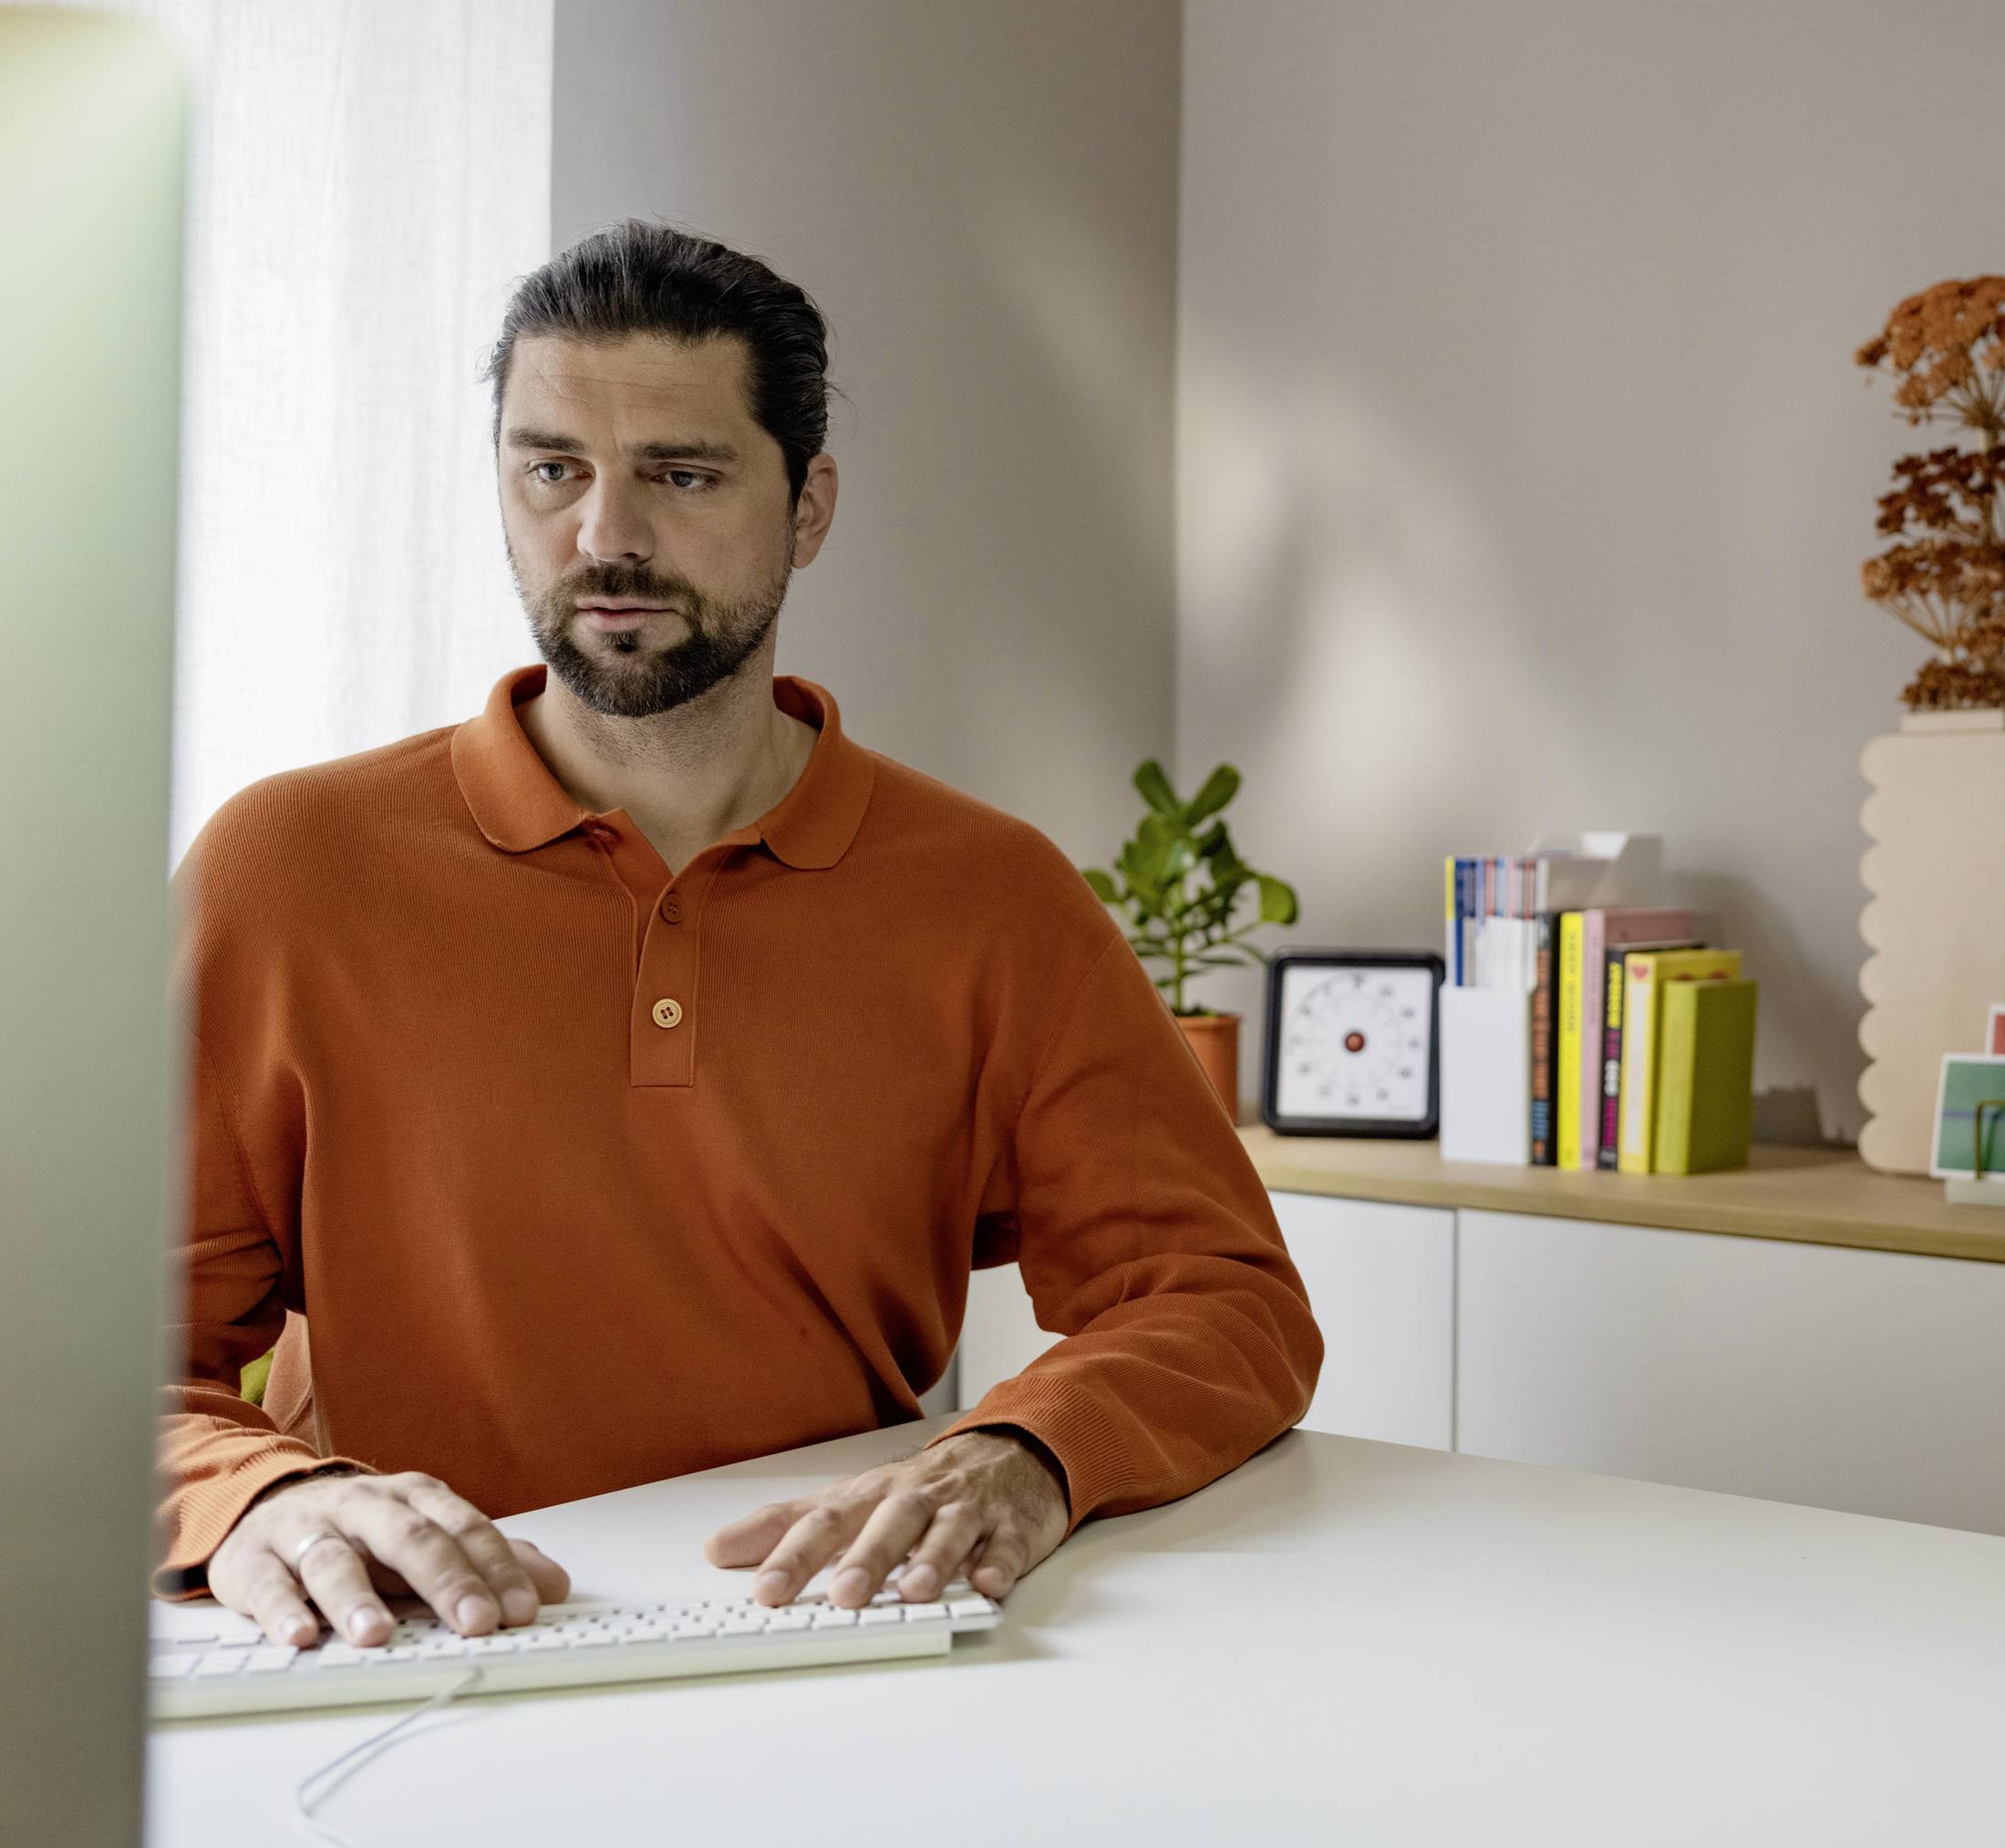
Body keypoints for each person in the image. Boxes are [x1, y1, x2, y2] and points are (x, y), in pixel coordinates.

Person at [160, 222, 1321, 1649]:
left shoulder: (993, 897)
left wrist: (1023, 1454)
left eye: (683, 474)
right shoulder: (287, 871)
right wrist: (256, 1499)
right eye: (552, 470)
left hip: (820, 1629)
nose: (605, 538)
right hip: (412, 1652)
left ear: (810, 506)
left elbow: (1223, 1299)